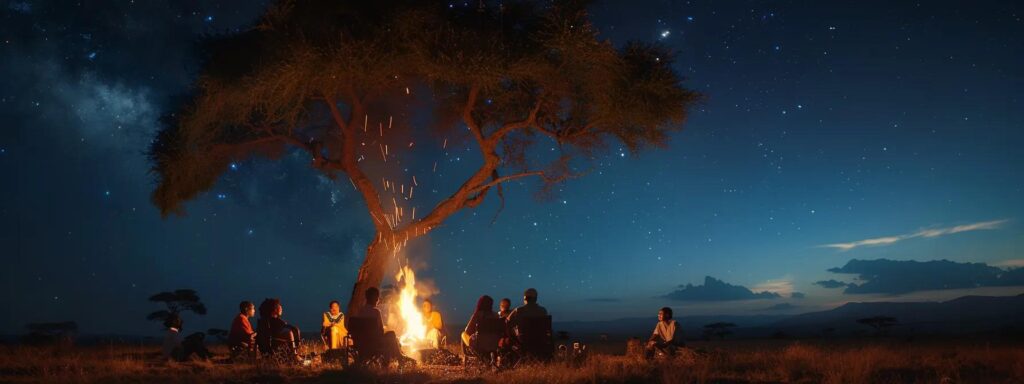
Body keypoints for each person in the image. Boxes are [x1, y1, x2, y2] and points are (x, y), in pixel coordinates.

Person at [351, 287, 404, 363]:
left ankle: (398, 357)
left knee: (390, 336)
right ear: (375, 298)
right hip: (374, 344)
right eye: (377, 297)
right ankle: (399, 358)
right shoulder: (376, 312)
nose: (378, 299)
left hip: (360, 344)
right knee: (391, 334)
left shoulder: (360, 311)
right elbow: (381, 331)